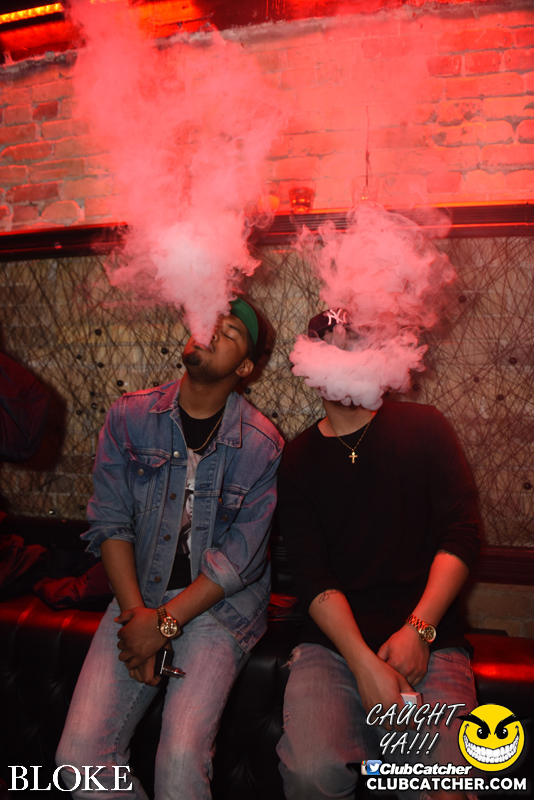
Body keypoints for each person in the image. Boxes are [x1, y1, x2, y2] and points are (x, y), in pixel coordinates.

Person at [56, 297, 283, 800]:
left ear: (246, 368)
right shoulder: (130, 417)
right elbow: (111, 522)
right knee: (78, 759)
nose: (213, 331)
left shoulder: (262, 444)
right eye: (210, 321)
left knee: (180, 763)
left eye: (231, 331)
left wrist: (161, 626)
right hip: (140, 595)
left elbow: (239, 562)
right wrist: (139, 617)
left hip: (218, 608)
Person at [276, 309, 480, 800]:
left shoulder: (425, 426)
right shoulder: (298, 458)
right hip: (334, 647)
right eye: (327, 349)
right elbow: (311, 574)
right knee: (311, 773)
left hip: (429, 639)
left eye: (353, 346)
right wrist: (363, 664)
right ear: (307, 364)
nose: (341, 360)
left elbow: (461, 534)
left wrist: (419, 630)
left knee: (445, 787)